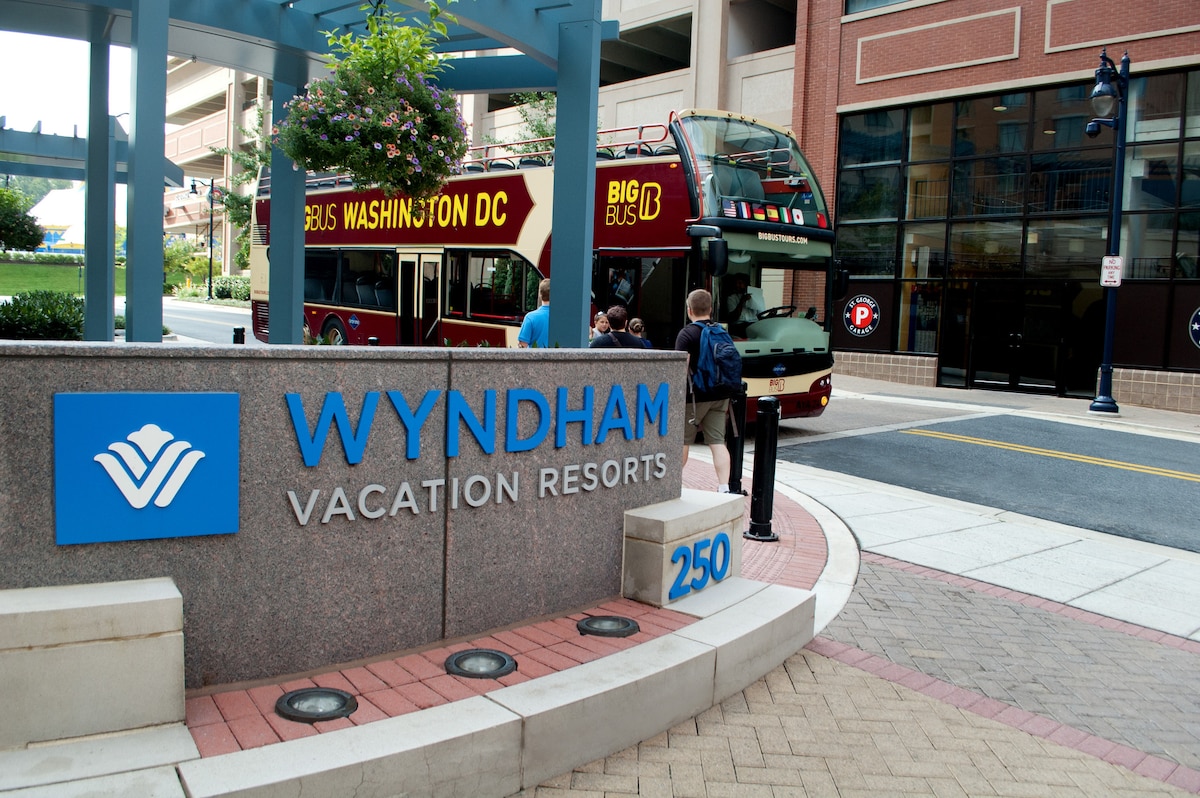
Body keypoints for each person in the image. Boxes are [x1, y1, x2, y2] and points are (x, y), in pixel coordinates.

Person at [675, 289, 733, 492]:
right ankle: (724, 487)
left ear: (689, 310)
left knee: (682, 441)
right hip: (721, 394)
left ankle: (674, 483)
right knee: (718, 442)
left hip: (695, 396)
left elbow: (682, 366)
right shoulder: (722, 332)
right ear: (710, 309)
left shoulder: (687, 333)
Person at [517, 278, 551, 348]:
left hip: (535, 358)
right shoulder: (562, 318)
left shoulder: (530, 317)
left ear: (540, 295)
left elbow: (523, 345)